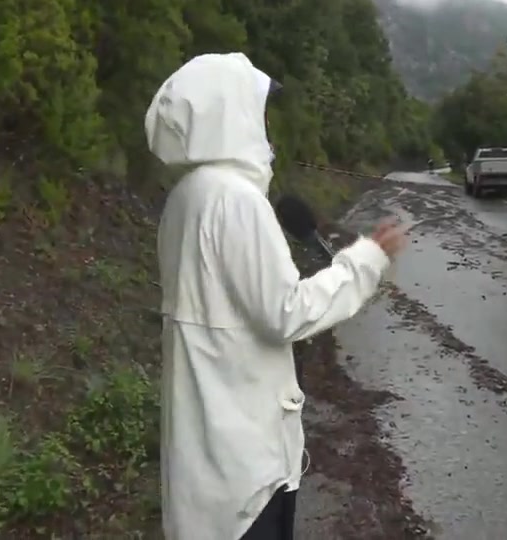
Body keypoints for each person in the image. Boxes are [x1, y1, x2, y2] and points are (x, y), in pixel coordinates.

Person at [145, 52, 407, 540]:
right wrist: (365, 259)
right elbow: (286, 312)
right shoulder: (236, 200)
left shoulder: (186, 197)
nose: (263, 124)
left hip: (206, 456)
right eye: (257, 109)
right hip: (245, 467)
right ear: (229, 111)